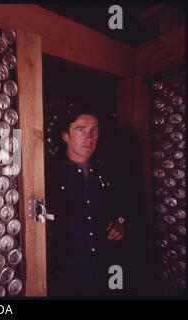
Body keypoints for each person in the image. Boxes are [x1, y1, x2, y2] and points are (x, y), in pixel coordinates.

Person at [45, 105, 127, 297]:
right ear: (66, 135)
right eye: (81, 130)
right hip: (67, 271)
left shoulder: (111, 169)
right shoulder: (49, 172)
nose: (89, 137)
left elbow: (124, 206)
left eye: (94, 130)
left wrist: (121, 223)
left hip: (109, 266)